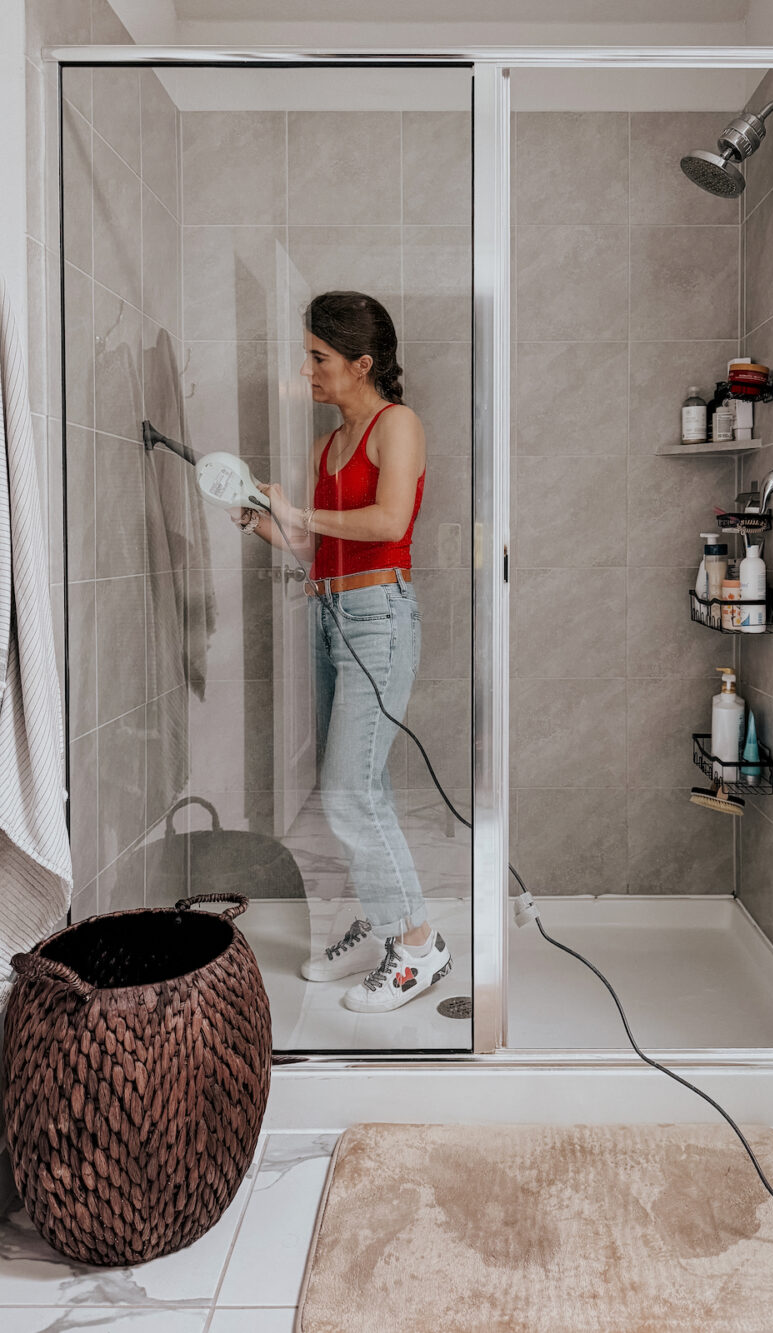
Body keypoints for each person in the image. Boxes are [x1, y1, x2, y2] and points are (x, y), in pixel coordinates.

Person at [235, 291, 450, 1014]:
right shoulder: (326, 445)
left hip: (379, 619)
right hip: (329, 617)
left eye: (319, 357)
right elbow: (310, 546)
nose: (307, 369)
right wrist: (266, 518)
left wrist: (301, 511)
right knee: (363, 784)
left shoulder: (399, 425)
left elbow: (390, 519)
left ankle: (418, 947)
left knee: (349, 789)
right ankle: (376, 927)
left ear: (362, 363)